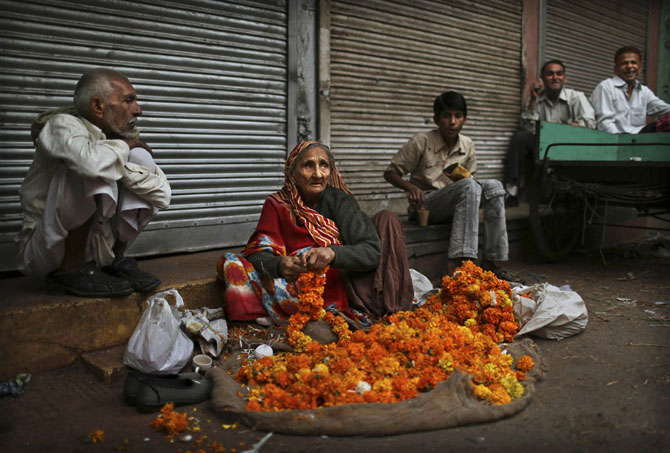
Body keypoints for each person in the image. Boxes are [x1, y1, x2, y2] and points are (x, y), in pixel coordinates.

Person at [217, 140, 413, 325]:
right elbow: (257, 254)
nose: (318, 174)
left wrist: (332, 253)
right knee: (230, 263)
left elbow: (371, 252)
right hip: (290, 283)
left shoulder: (341, 202)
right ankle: (279, 313)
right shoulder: (277, 204)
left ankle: (302, 315)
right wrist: (280, 264)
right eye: (309, 165)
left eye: (324, 166)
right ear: (292, 173)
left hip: (328, 286)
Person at [16, 68, 171, 297]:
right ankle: (70, 269)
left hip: (98, 250)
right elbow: (91, 164)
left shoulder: (114, 138)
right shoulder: (62, 125)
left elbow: (161, 196)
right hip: (46, 250)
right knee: (93, 164)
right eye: (128, 101)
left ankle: (114, 261)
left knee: (138, 157)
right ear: (98, 106)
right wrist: (122, 150)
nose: (138, 110)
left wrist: (124, 161)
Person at [383, 91, 512, 280]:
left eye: (458, 116)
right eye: (446, 116)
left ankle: (493, 262)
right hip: (427, 206)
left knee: (494, 186)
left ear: (464, 119)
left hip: (459, 205)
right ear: (436, 119)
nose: (452, 121)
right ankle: (460, 262)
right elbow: (390, 173)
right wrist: (411, 187)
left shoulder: (468, 145)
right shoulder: (421, 141)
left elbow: (471, 181)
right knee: (469, 186)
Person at [504, 60, 596, 206]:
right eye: (550, 74)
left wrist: (573, 127)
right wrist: (533, 100)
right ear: (542, 78)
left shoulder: (576, 97)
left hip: (569, 146)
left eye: (559, 74)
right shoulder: (537, 98)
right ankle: (512, 191)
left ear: (565, 78)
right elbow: (528, 130)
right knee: (520, 137)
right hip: (544, 146)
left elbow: (591, 123)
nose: (555, 77)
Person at [590, 46, 670, 134]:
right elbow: (604, 123)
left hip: (639, 140)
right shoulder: (606, 87)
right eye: (624, 63)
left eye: (634, 62)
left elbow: (665, 109)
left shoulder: (644, 91)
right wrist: (622, 141)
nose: (629, 66)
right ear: (615, 68)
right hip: (614, 140)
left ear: (639, 68)